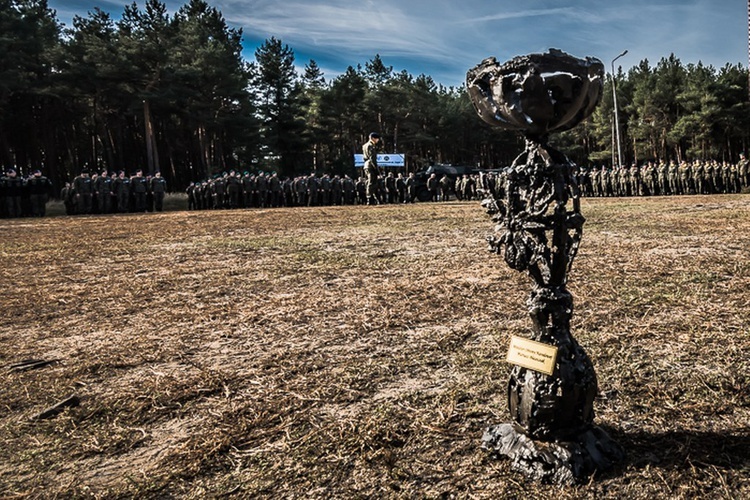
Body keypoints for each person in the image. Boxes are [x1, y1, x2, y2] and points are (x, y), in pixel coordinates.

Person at [362, 132, 381, 205]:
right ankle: (369, 199)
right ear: (373, 138)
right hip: (370, 165)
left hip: (366, 165)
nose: (378, 140)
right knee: (372, 182)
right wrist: (376, 170)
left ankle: (375, 198)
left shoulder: (364, 146)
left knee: (372, 182)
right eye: (377, 139)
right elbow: (372, 158)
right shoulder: (371, 145)